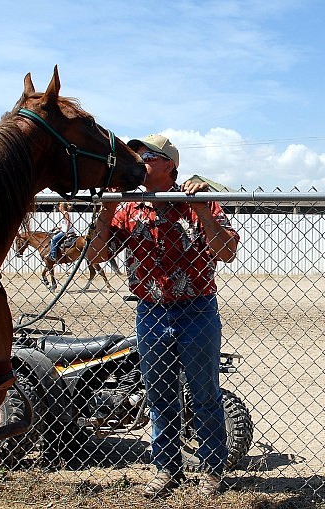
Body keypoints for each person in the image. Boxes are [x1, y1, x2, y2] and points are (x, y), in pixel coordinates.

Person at [89, 134, 239, 498]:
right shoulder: (126, 206)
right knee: (159, 395)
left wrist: (202, 208)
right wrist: (106, 211)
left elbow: (227, 252)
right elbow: (96, 256)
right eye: (136, 154)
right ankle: (167, 469)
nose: (138, 160)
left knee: (203, 393)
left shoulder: (197, 201)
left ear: (170, 164)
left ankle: (212, 470)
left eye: (147, 155)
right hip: (151, 312)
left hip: (196, 310)